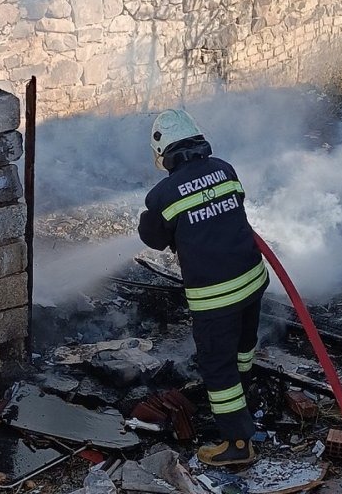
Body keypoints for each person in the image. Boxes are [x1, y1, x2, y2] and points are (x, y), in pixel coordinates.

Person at [137, 109, 268, 467]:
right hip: (252, 280)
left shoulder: (163, 195)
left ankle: (238, 443)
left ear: (164, 154)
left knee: (217, 366)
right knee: (244, 346)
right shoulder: (225, 169)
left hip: (216, 296)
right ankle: (246, 392)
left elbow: (152, 237)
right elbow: (231, 208)